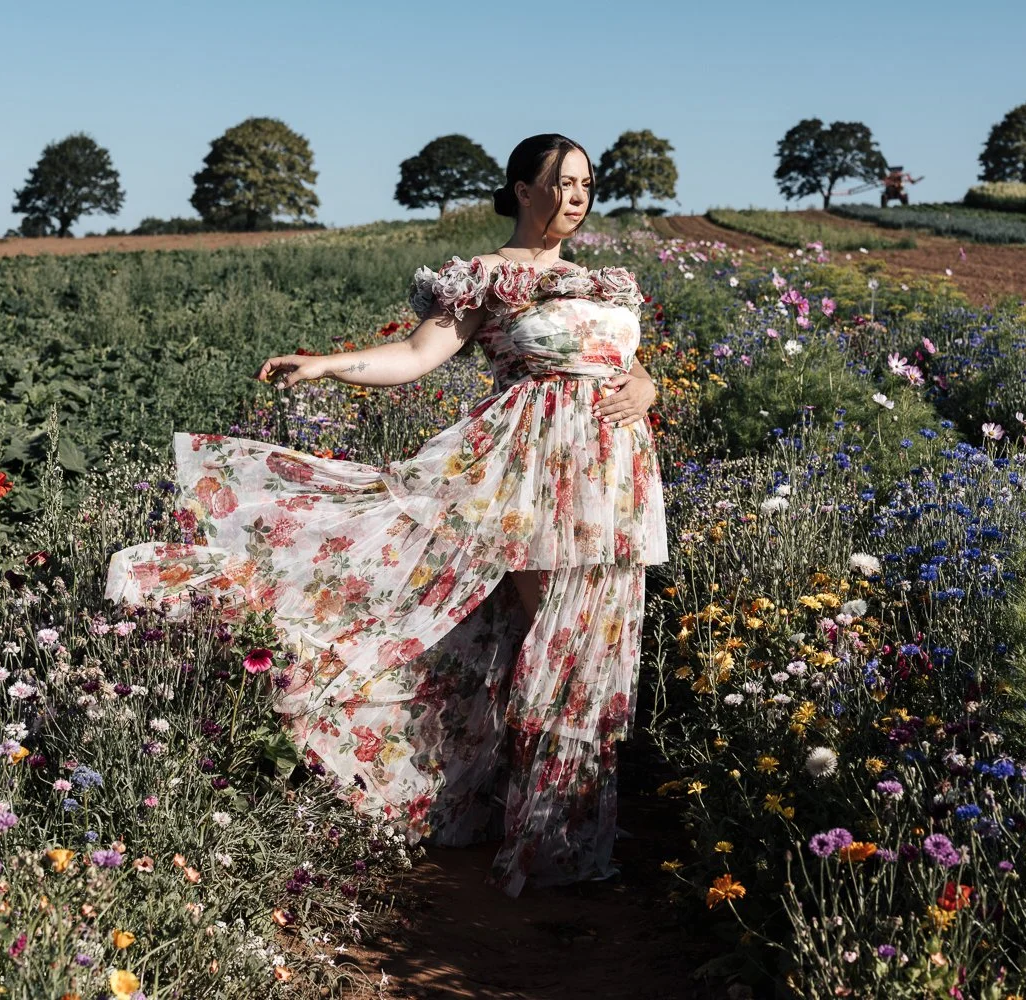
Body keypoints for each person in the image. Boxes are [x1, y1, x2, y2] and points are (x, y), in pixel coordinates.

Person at [104, 133, 668, 897]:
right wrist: (330, 364)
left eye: (586, 185)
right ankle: (549, 839)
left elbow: (622, 364)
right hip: (528, 476)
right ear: (523, 190)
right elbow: (415, 355)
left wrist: (648, 387)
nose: (577, 197)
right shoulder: (488, 277)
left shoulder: (603, 283)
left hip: (613, 477)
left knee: (599, 648)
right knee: (559, 643)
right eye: (563, 183)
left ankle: (569, 824)